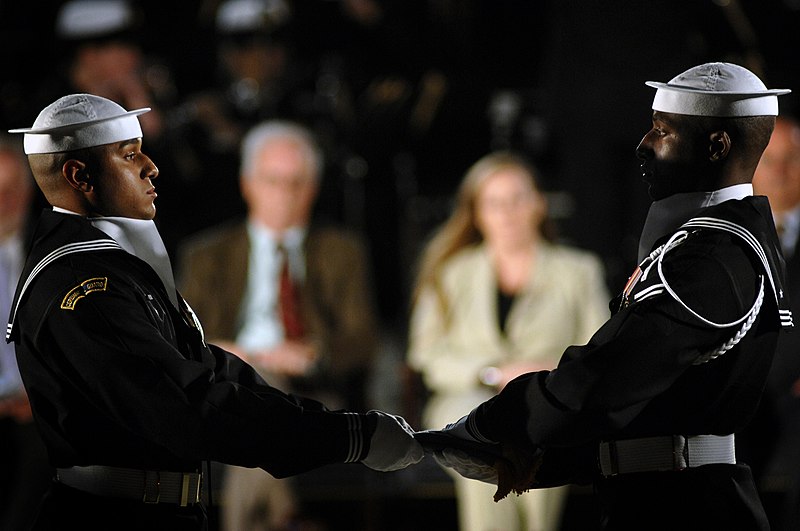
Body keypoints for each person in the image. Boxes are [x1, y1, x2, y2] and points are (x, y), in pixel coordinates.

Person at [5, 93, 423, 531]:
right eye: (129, 155)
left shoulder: (113, 267)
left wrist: (348, 429)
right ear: (79, 176)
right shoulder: (84, 288)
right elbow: (189, 409)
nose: (151, 166)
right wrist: (348, 439)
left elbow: (210, 367)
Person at [423, 62, 793, 531]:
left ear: (717, 145)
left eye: (661, 131)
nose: (643, 146)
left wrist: (493, 424)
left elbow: (605, 378)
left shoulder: (710, 257)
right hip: (669, 494)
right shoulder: (722, 242)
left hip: (684, 508)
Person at [176, 119, 380, 530]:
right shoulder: (206, 255)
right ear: (247, 184)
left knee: (259, 410)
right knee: (257, 391)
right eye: (273, 181)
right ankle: (284, 518)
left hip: (312, 391)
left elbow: (363, 340)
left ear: (315, 187)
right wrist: (229, 354)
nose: (286, 194)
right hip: (226, 388)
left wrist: (312, 355)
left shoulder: (343, 251)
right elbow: (179, 341)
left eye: (297, 182)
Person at [407, 151, 610, 531]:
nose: (508, 212)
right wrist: (492, 373)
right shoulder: (450, 273)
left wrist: (546, 373)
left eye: (518, 198)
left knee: (540, 426)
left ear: (539, 204)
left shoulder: (578, 271)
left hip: (549, 398)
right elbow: (427, 355)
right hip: (465, 398)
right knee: (482, 443)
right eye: (494, 203)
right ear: (477, 212)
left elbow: (598, 351)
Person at [0, 136, 53, 531]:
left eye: (11, 190)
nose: (4, 203)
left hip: (41, 409)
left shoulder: (56, 252)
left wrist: (38, 396)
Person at [752, 114, 800, 530]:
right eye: (771, 159)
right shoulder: (723, 231)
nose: (782, 171)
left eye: (793, 158)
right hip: (741, 394)